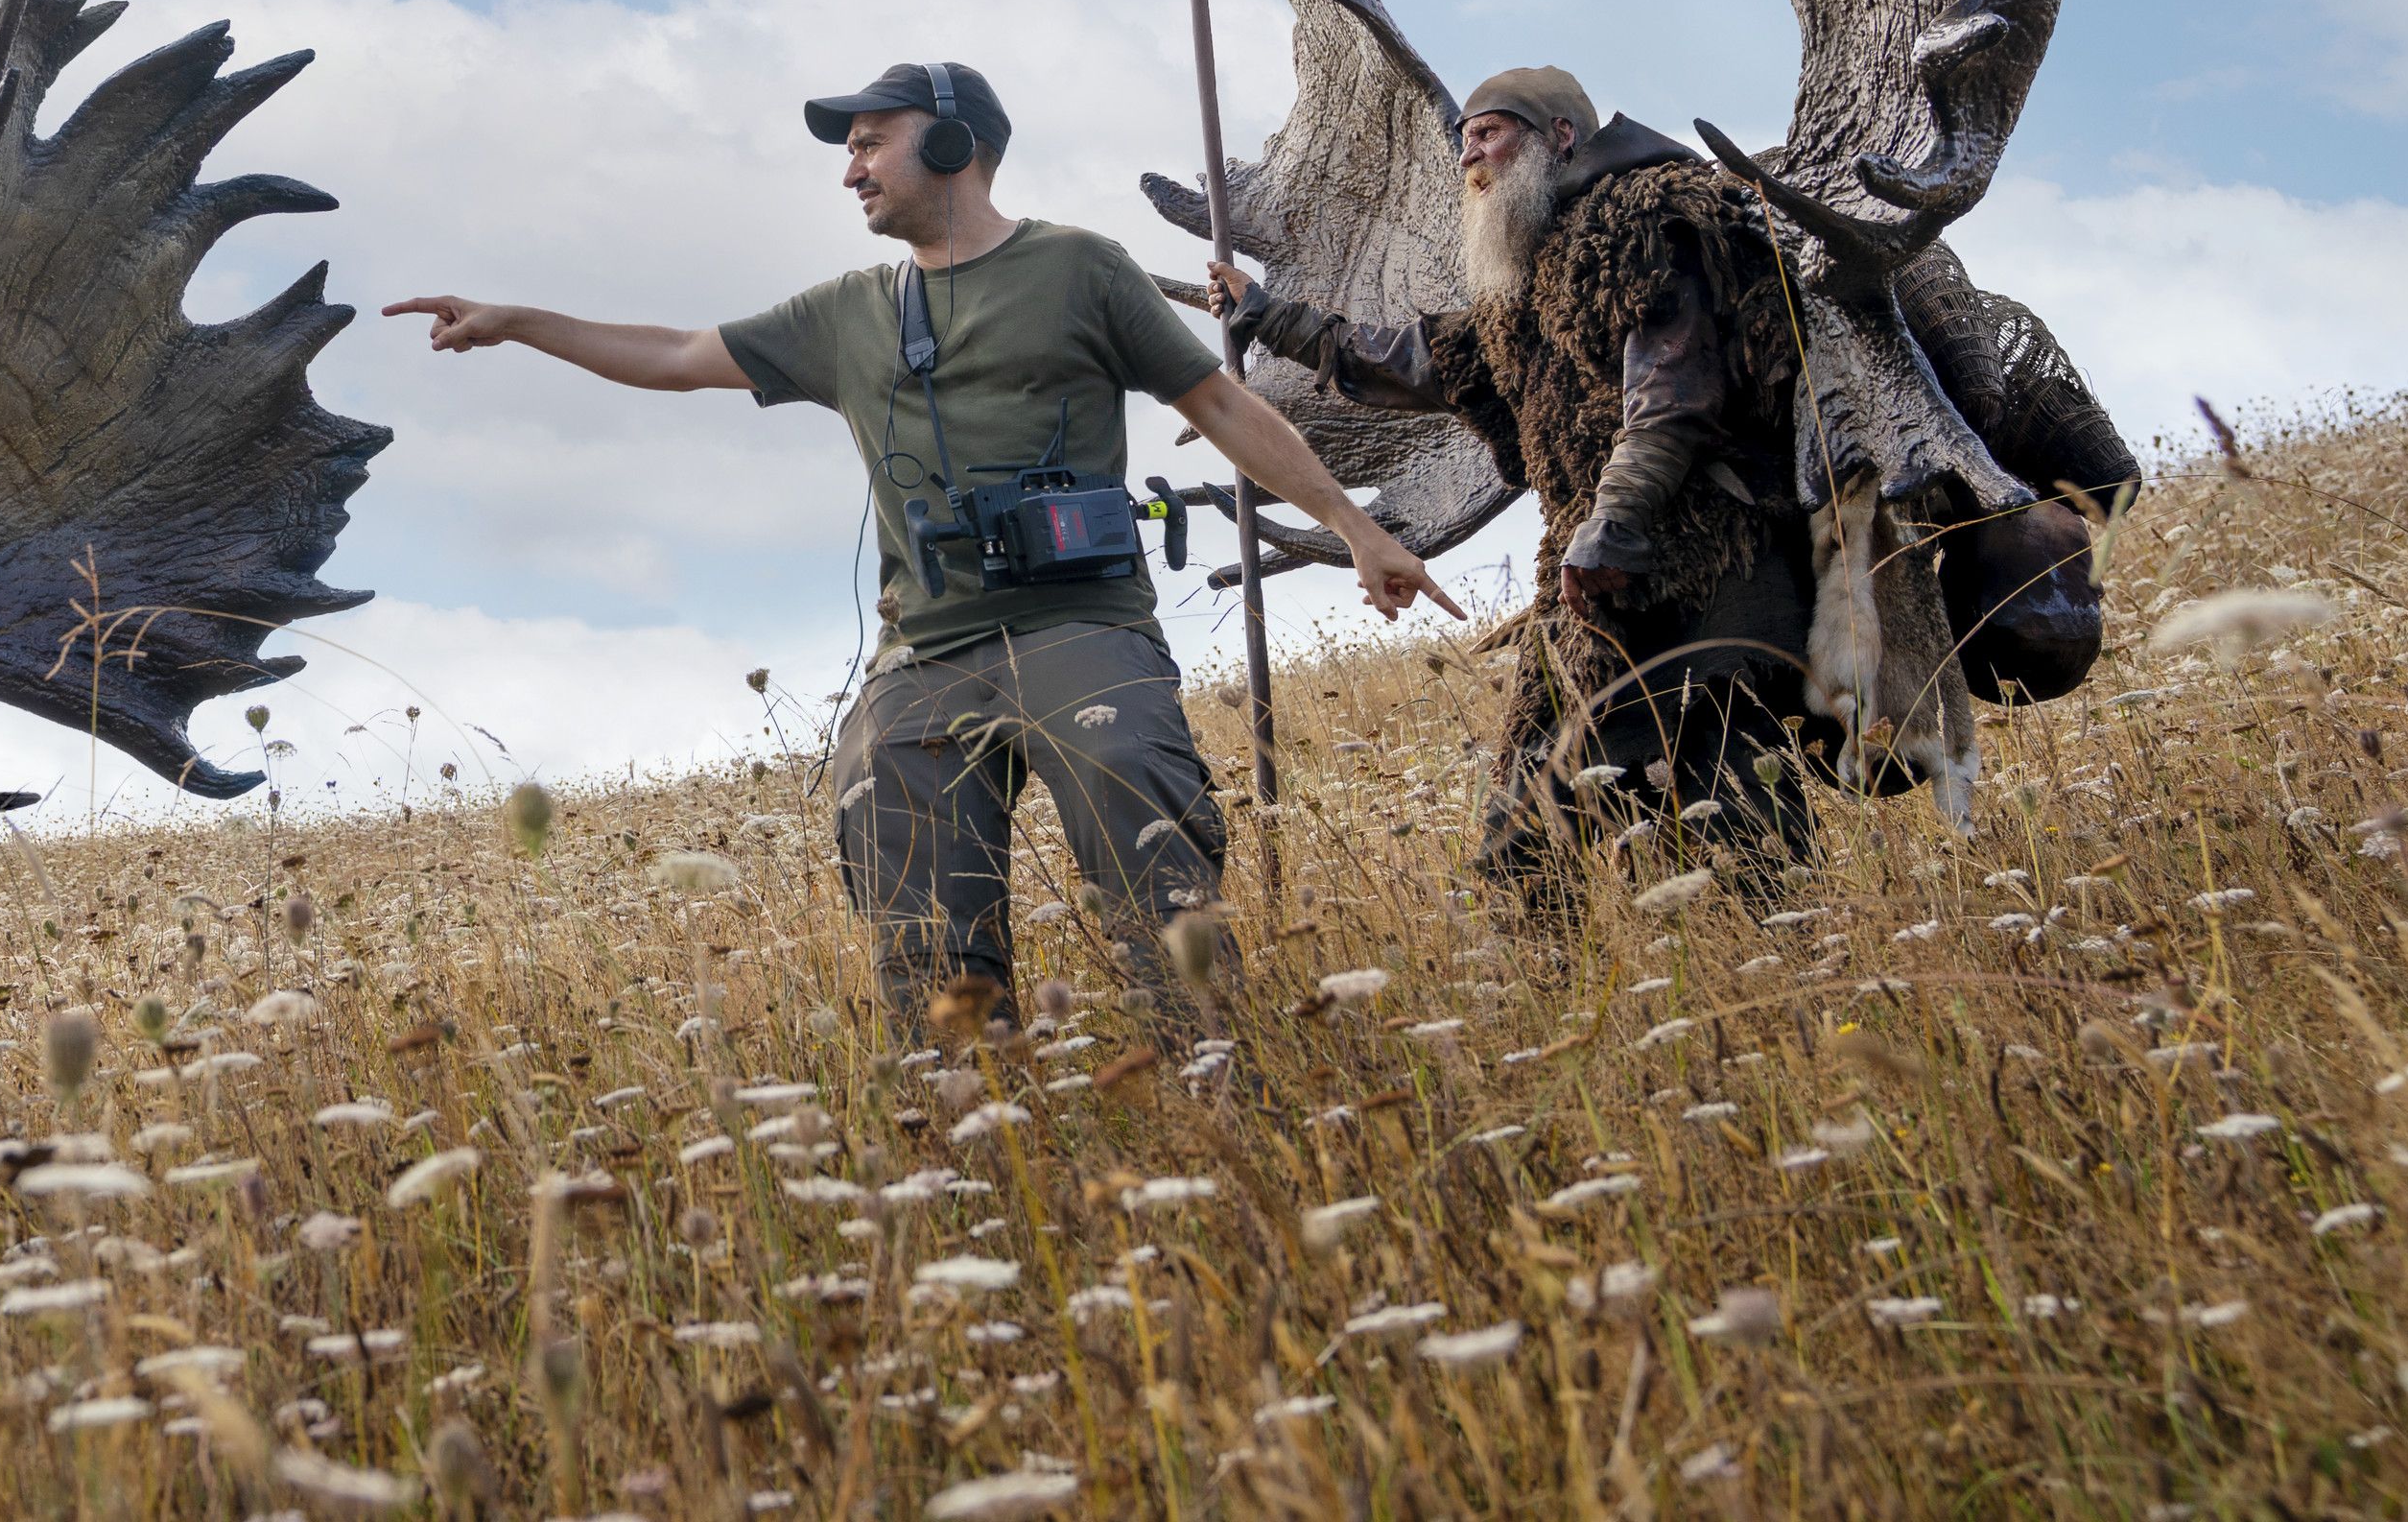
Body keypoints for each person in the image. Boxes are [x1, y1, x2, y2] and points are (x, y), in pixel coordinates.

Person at [388, 62, 1455, 1039]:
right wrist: (519, 320)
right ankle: (971, 1132)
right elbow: (673, 355)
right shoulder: (844, 312)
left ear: (952, 146)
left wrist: (1357, 531)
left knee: (1152, 844)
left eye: (868, 143)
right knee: (914, 918)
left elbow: (1219, 402)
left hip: (1079, 629)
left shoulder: (1081, 267)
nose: (849, 171)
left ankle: (1215, 1080)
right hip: (925, 657)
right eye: (849, 150)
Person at [1211, 67, 1814, 896]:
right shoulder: (1525, 284)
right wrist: (1270, 315)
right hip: (1595, 580)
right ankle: (1549, 992)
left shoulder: (1647, 222)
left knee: (1741, 818)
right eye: (1463, 140)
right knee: (1526, 835)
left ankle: (1786, 999)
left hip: (1715, 564)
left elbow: (1673, 399)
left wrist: (1616, 524)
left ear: (1559, 136)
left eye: (1488, 133)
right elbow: (1411, 359)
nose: (1470, 156)